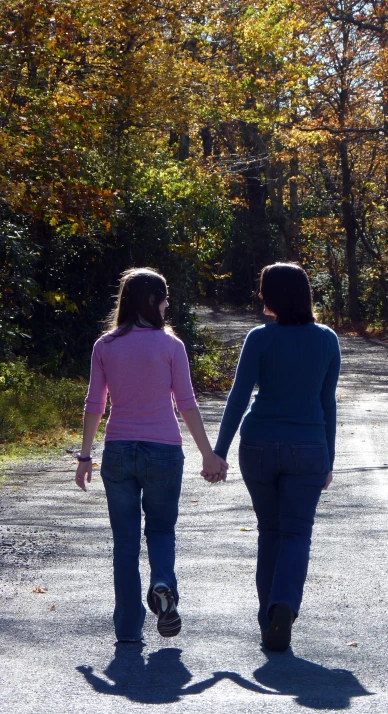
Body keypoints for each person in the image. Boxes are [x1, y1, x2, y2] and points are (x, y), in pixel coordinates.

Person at [75, 267, 227, 643]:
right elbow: (186, 403)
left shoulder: (105, 346)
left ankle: (128, 629)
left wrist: (84, 456)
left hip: (119, 452)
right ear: (151, 301)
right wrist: (208, 454)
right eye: (164, 298)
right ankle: (162, 583)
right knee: (160, 529)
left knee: (125, 541)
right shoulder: (171, 346)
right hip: (163, 451)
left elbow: (95, 403)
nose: (168, 304)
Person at [211, 262, 340, 652]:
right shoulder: (326, 339)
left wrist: (218, 451)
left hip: (259, 444)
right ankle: (283, 604)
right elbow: (326, 402)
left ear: (269, 297)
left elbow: (238, 397)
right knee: (297, 532)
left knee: (269, 531)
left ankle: (269, 617)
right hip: (308, 447)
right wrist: (329, 458)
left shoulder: (259, 338)